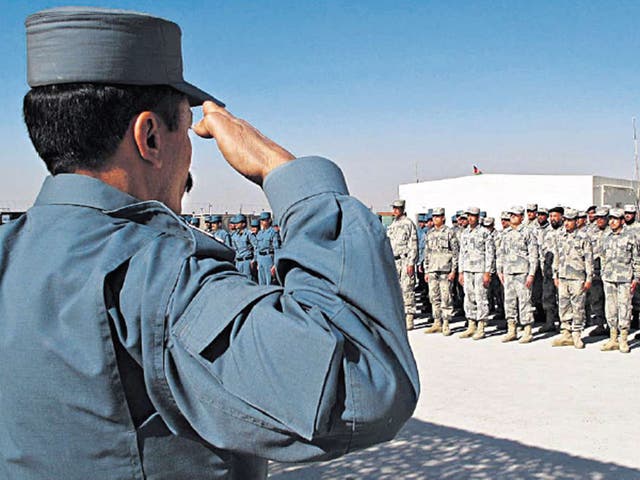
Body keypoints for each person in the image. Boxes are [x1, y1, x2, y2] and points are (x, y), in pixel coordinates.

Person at [0, 7, 419, 479]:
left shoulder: (10, 251)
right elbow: (365, 386)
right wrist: (285, 172)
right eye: (186, 128)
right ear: (151, 137)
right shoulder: (157, 277)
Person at [600, 209, 640, 353]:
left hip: (625, 279)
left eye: (615, 219)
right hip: (609, 278)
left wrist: (636, 277)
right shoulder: (606, 237)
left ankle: (623, 339)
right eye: (610, 219)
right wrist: (604, 273)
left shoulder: (631, 237)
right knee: (610, 308)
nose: (612, 221)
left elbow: (636, 259)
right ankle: (613, 338)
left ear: (622, 221)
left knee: (625, 308)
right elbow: (603, 257)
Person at [551, 209, 592, 349]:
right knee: (563, 304)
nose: (567, 223)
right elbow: (556, 257)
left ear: (576, 221)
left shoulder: (583, 237)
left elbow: (588, 259)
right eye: (565, 221)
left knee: (578, 306)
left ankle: (576, 333)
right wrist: (554, 275)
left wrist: (589, 278)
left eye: (570, 221)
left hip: (577, 277)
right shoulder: (559, 236)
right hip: (563, 277)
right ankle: (566, 333)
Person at [497, 206, 538, 344]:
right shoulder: (505, 233)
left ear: (521, 217)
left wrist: (531, 274)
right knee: (509, 301)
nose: (512, 217)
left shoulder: (527, 232)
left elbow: (533, 254)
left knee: (524, 301)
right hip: (508, 272)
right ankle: (511, 330)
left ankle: (527, 330)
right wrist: (499, 270)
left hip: (522, 272)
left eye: (515, 215)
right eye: (511, 215)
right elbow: (500, 253)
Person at [458, 207, 495, 339]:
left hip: (480, 269)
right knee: (469, 297)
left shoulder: (485, 232)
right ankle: (471, 324)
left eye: (472, 216)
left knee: (481, 297)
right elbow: (462, 253)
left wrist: (487, 272)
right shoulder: (465, 233)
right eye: (468, 215)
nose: (470, 218)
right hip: (468, 269)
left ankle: (481, 326)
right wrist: (460, 271)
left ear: (478, 217)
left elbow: (490, 253)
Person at [422, 208, 459, 336]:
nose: (435, 219)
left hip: (445, 269)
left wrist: (453, 270)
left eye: (438, 216)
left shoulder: (449, 232)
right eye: (434, 217)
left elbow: (455, 253)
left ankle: (446, 323)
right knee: (433, 296)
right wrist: (426, 270)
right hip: (432, 268)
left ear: (443, 217)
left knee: (446, 297)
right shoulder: (429, 233)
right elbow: (427, 252)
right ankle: (437, 321)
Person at [386, 199, 419, 329]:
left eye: (397, 208)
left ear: (402, 209)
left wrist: (411, 262)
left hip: (405, 260)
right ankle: (399, 316)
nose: (394, 211)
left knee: (407, 289)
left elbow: (413, 245)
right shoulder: (392, 225)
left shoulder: (408, 224)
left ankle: (409, 316)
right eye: (393, 208)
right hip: (394, 261)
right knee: (395, 290)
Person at [537, 206, 564, 332]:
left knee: (563, 297)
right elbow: (542, 250)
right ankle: (550, 322)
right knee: (548, 296)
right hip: (548, 267)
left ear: (561, 217)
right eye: (551, 216)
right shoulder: (547, 232)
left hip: (562, 268)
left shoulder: (565, 232)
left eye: (555, 216)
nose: (552, 219)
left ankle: (564, 323)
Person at [587, 207, 609, 336]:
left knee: (610, 299)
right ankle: (600, 325)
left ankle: (612, 326)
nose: (599, 220)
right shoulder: (591, 231)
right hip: (595, 268)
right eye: (597, 218)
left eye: (602, 218)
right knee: (596, 298)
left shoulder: (612, 231)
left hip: (610, 270)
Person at [255, 212, 280, 285]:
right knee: (261, 282)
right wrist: (257, 261)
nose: (262, 222)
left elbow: (276, 249)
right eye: (261, 220)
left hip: (268, 258)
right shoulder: (260, 233)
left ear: (269, 220)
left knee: (269, 282)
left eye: (264, 220)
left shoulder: (273, 232)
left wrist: (275, 264)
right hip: (260, 258)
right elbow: (257, 248)